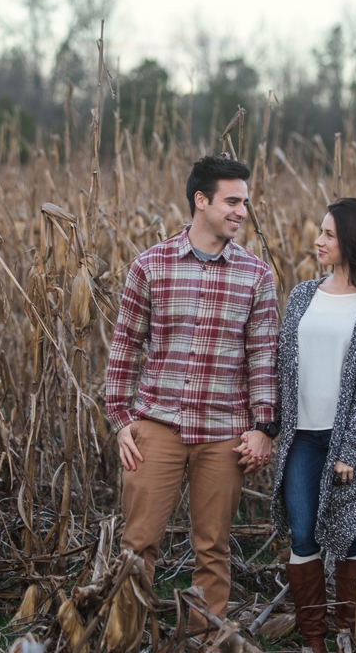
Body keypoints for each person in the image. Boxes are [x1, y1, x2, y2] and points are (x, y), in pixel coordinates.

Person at [104, 153, 279, 625]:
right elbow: (125, 347)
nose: (242, 211)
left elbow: (263, 358)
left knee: (213, 548)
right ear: (201, 201)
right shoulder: (151, 266)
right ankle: (122, 640)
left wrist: (264, 427)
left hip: (224, 432)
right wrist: (121, 421)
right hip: (156, 428)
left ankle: (204, 649)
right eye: (232, 201)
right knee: (137, 544)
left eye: (245, 202)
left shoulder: (256, 276)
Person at [270, 198, 356, 653]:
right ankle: (316, 643)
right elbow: (283, 365)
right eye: (319, 232)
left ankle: (348, 639)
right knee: (303, 534)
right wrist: (269, 426)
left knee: (347, 537)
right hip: (302, 439)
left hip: (348, 447)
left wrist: (349, 449)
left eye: (328, 234)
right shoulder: (304, 294)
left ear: (353, 241)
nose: (318, 241)